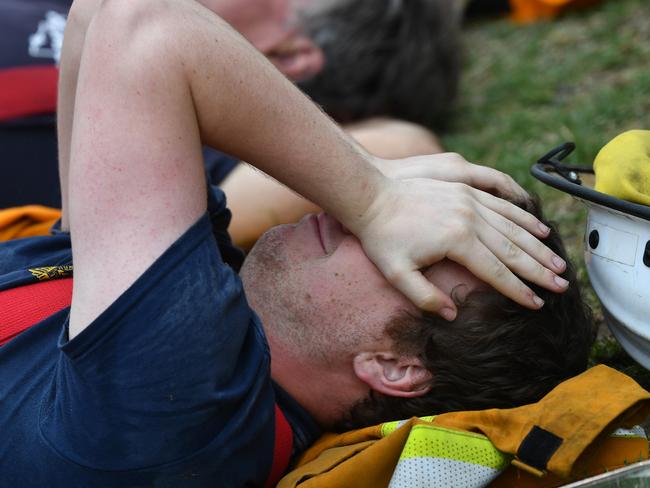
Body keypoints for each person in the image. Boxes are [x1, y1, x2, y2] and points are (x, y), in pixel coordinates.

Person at [0, 0, 574, 485]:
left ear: (394, 367)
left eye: (418, 248)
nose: (354, 221)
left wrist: (375, 194)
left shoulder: (193, 404)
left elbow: (144, 25)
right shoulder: (209, 307)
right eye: (423, 213)